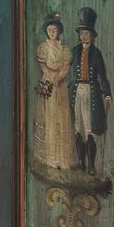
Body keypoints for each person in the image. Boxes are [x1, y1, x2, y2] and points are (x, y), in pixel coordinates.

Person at [71, 8, 111, 179]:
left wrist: (108, 94)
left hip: (91, 91)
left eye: (86, 33)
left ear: (92, 35)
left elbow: (102, 75)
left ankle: (91, 165)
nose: (84, 36)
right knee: (77, 127)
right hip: (76, 91)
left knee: (90, 128)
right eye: (81, 33)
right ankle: (81, 162)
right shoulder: (74, 51)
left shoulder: (96, 53)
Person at [32, 13, 76, 170]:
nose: (52, 32)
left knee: (62, 116)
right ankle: (50, 158)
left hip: (61, 85)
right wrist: (51, 77)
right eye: (50, 29)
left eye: (55, 30)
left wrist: (60, 77)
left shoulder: (64, 49)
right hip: (48, 83)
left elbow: (66, 67)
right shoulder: (43, 48)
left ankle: (63, 159)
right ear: (46, 31)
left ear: (59, 32)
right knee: (50, 116)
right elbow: (43, 66)